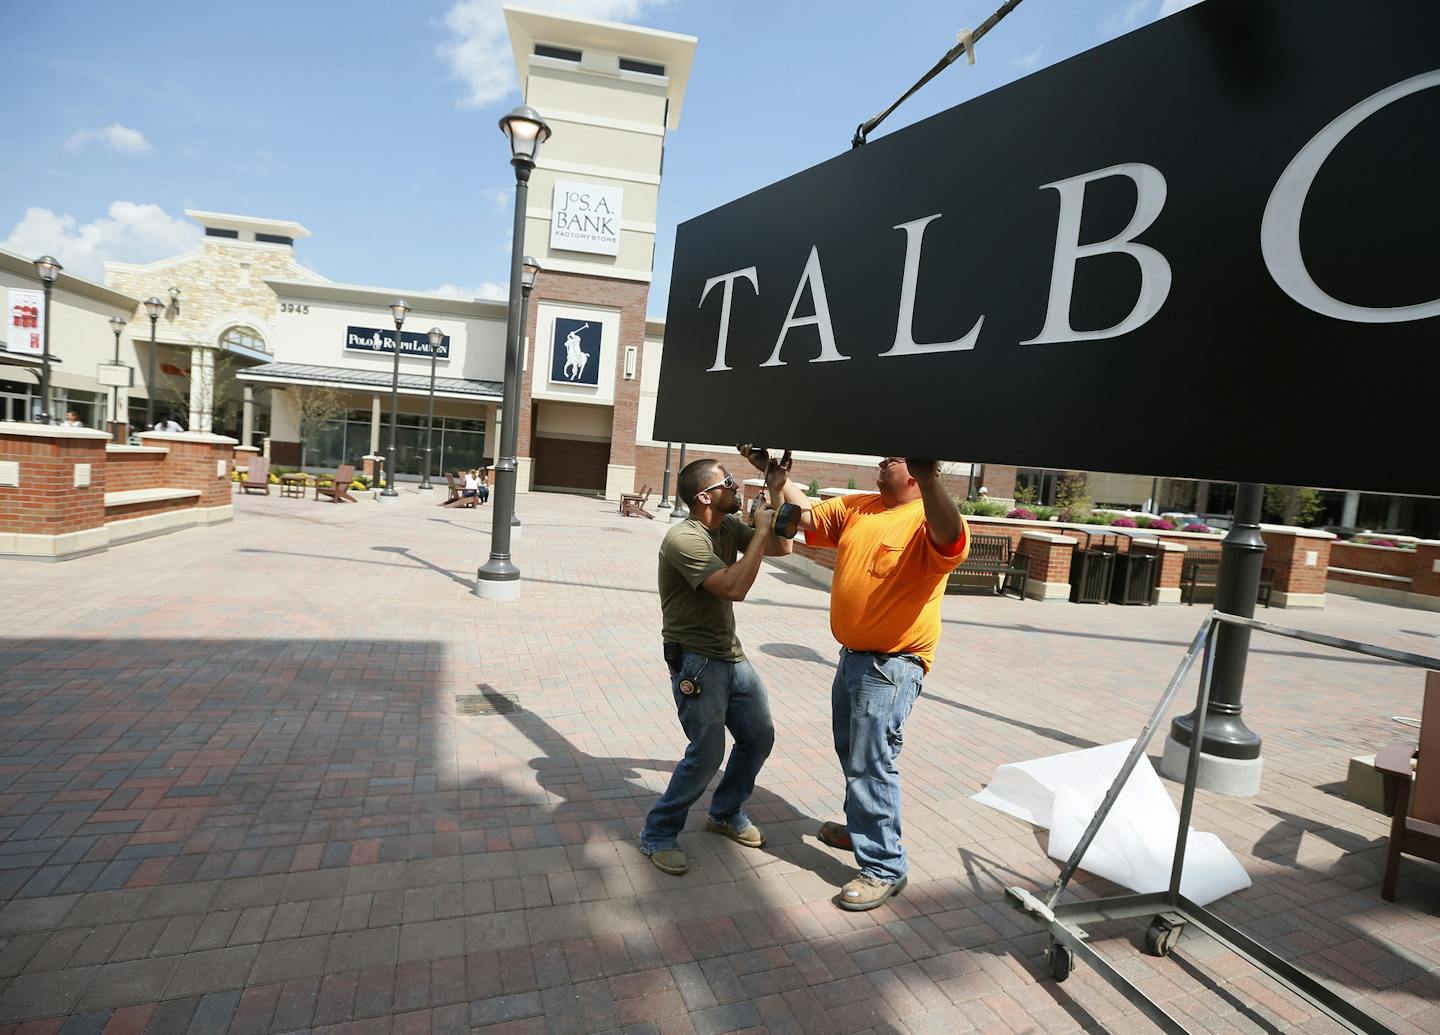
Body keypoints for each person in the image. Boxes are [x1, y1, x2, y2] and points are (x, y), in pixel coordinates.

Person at [742, 445, 969, 910]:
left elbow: (951, 539)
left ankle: (884, 866)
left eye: (895, 456)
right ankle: (865, 828)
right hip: (852, 659)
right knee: (854, 753)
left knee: (872, 763)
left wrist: (931, 482)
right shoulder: (860, 507)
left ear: (918, 470)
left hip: (891, 666)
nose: (882, 459)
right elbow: (804, 518)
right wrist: (772, 474)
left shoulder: (930, 518)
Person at [639, 456, 793, 876]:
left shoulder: (725, 527)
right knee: (707, 753)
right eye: (727, 481)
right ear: (705, 496)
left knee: (758, 735)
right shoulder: (683, 539)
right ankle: (658, 833)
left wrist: (776, 490)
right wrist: (760, 530)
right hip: (695, 659)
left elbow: (781, 545)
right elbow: (734, 586)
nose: (734, 486)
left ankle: (725, 812)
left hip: (729, 652)